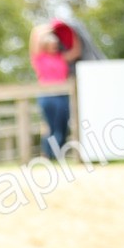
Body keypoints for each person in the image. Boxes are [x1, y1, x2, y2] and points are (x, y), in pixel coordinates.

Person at [29, 24, 80, 158]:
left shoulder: (61, 58)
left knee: (62, 125)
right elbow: (34, 41)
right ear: (45, 45)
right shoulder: (40, 58)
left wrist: (73, 31)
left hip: (62, 95)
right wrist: (44, 29)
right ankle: (48, 154)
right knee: (50, 126)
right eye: (52, 44)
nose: (55, 46)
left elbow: (76, 51)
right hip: (47, 96)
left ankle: (59, 154)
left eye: (56, 44)